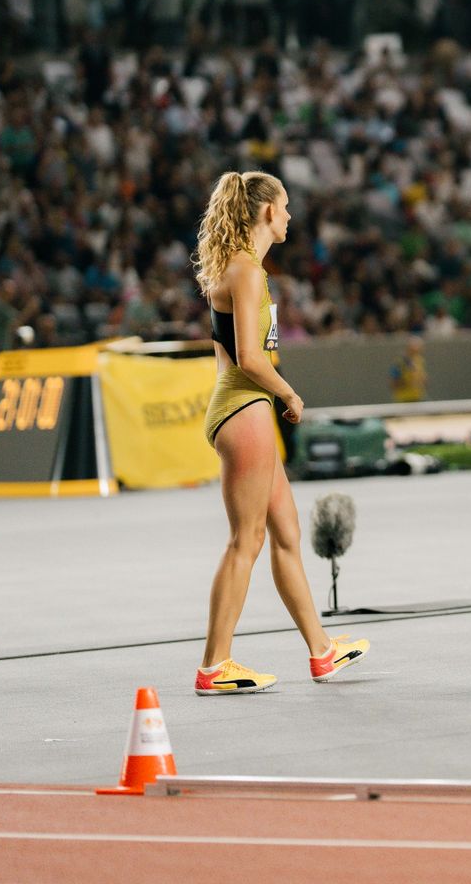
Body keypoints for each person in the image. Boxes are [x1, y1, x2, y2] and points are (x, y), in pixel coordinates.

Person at [192, 170, 368, 694]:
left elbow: (229, 353)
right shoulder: (246, 271)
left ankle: (321, 651)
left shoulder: (238, 269)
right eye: (285, 207)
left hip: (243, 407)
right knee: (246, 541)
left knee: (286, 533)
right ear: (268, 211)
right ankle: (214, 666)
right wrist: (287, 393)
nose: (289, 216)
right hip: (245, 408)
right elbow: (249, 357)